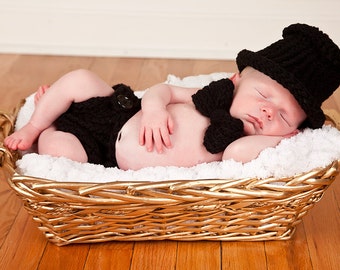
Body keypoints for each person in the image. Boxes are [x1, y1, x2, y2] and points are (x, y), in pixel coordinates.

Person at [4, 23, 340, 170]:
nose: (267, 112)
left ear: (295, 131)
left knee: (61, 151)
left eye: (282, 116)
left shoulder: (239, 143)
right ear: (236, 80)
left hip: (101, 153)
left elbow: (239, 153)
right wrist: (152, 110)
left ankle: (46, 132)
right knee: (80, 79)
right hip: (121, 112)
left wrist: (279, 140)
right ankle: (34, 124)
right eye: (264, 95)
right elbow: (161, 90)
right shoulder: (208, 94)